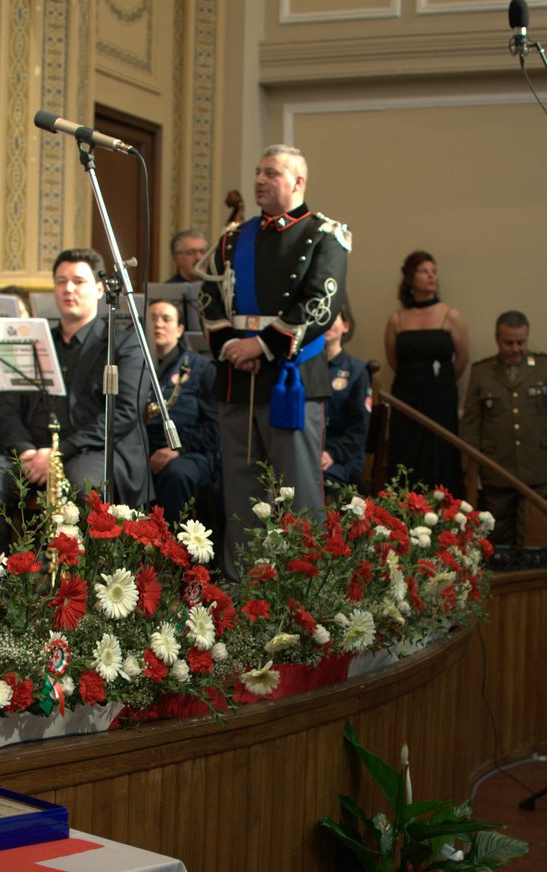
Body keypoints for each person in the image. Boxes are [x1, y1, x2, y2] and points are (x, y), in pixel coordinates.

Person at [199, 142, 351, 575]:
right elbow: (208, 295)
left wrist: (261, 347)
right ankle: (243, 591)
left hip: (291, 378)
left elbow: (322, 304)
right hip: (237, 378)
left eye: (271, 173)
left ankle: (303, 596)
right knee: (242, 495)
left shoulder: (326, 235)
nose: (259, 180)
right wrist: (232, 345)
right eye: (257, 172)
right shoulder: (234, 238)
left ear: (298, 181)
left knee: (298, 494)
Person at [0, 248, 151, 547]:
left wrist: (58, 454)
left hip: (90, 451)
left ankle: (82, 584)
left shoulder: (125, 342)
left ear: (99, 289)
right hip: (30, 453)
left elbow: (124, 414)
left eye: (78, 281)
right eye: (61, 281)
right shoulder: (31, 340)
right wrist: (27, 451)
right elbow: (4, 409)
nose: (68, 288)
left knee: (87, 485)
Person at [460, 310, 547, 545]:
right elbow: (471, 424)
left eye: (521, 342)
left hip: (538, 470)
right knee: (496, 540)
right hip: (496, 470)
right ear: (497, 339)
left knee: (536, 539)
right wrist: (471, 468)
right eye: (509, 342)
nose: (515, 348)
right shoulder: (482, 372)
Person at [383, 250, 468, 497]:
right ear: (410, 278)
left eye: (434, 271)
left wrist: (439, 383)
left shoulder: (450, 315)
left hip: (440, 398)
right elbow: (393, 360)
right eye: (424, 271)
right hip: (407, 397)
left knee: (439, 457)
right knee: (406, 457)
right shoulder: (397, 319)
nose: (431, 277)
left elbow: (461, 360)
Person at [145, 299, 218, 527]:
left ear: (180, 330)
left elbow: (215, 427)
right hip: (143, 448)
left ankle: (172, 554)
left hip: (190, 451)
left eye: (166, 319)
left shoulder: (201, 367)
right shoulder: (133, 365)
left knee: (177, 474)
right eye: (152, 319)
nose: (158, 324)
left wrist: (178, 448)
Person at [322, 301, 372, 489]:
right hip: (309, 451)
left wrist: (332, 454)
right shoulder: (305, 369)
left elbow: (359, 429)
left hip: (342, 459)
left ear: (346, 326)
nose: (326, 325)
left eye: (333, 318)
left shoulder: (357, 371)